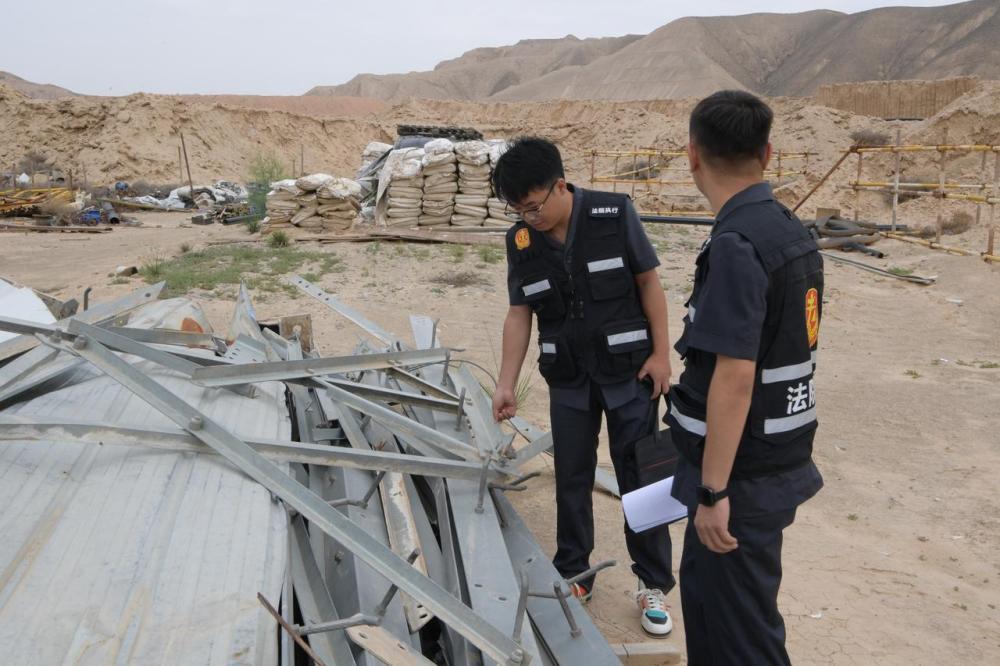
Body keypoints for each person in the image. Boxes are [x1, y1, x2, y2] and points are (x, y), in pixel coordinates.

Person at [490, 136, 675, 637]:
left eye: (534, 206)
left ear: (560, 185)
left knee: (642, 477)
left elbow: (649, 283)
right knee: (571, 475)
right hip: (569, 377)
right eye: (517, 210)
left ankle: (653, 582)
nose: (529, 217)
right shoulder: (521, 241)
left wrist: (661, 354)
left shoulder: (613, 214)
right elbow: (519, 313)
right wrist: (506, 383)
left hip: (629, 373)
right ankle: (574, 571)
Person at [665, 90, 825, 664]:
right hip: (771, 458)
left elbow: (735, 376)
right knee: (722, 616)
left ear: (692, 155)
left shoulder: (737, 244)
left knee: (739, 637)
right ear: (767, 153)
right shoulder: (787, 229)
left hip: (740, 478)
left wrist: (713, 492)